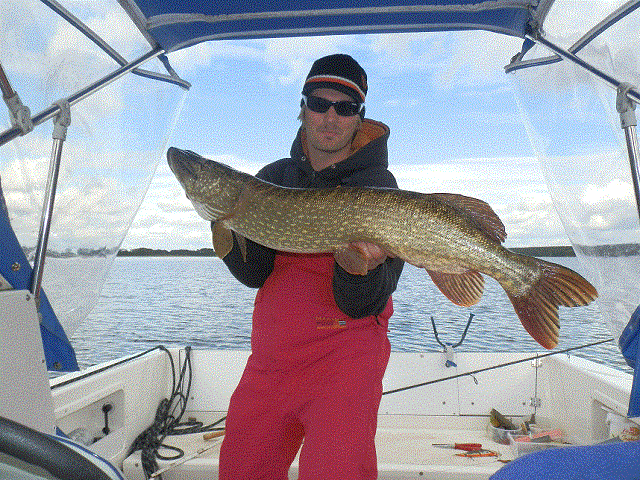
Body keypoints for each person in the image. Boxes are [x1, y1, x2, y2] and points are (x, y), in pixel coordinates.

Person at [217, 53, 404, 480]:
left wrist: (362, 266)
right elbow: (254, 275)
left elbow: (361, 305)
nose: (331, 117)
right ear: (303, 109)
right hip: (273, 358)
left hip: (346, 359)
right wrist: (224, 220)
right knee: (241, 470)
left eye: (346, 107)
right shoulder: (272, 178)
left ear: (359, 118)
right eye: (319, 103)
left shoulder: (379, 187)